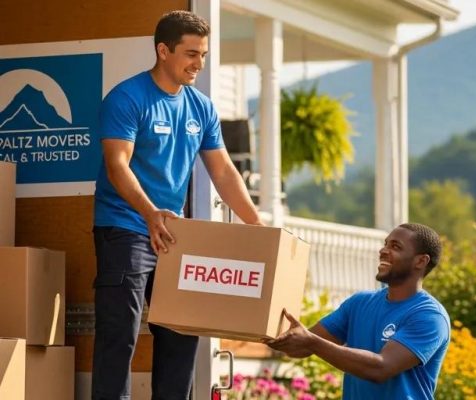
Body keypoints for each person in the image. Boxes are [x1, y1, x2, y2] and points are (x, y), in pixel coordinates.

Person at [92, 10, 263, 400]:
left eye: (202, 55)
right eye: (190, 54)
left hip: (175, 234)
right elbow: (117, 166)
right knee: (120, 334)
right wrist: (150, 213)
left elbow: (222, 172)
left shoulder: (200, 107)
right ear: (163, 51)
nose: (198, 64)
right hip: (125, 228)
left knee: (180, 336)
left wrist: (258, 227)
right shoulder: (127, 97)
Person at [266, 223, 450, 400]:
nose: (383, 250)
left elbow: (381, 368)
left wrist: (312, 342)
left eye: (395, 246)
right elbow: (300, 348)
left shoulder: (429, 316)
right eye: (385, 244)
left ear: (421, 261)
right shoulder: (360, 303)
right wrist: (265, 327)